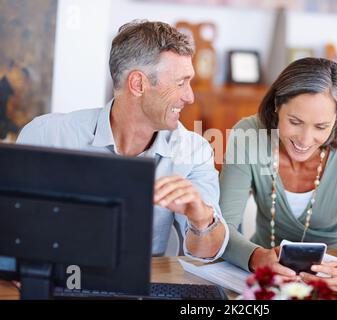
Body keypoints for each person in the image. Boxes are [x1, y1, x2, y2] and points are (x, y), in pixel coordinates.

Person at [16, 20, 228, 262]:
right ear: (138, 84)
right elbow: (10, 223)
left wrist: (201, 218)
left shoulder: (194, 152)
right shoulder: (46, 136)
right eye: (180, 83)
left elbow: (206, 254)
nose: (189, 97)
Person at [219, 57, 337, 291]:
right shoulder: (248, 135)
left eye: (321, 127)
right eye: (295, 122)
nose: (305, 140)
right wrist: (255, 257)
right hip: (265, 277)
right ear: (277, 105)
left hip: (335, 279)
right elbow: (222, 229)